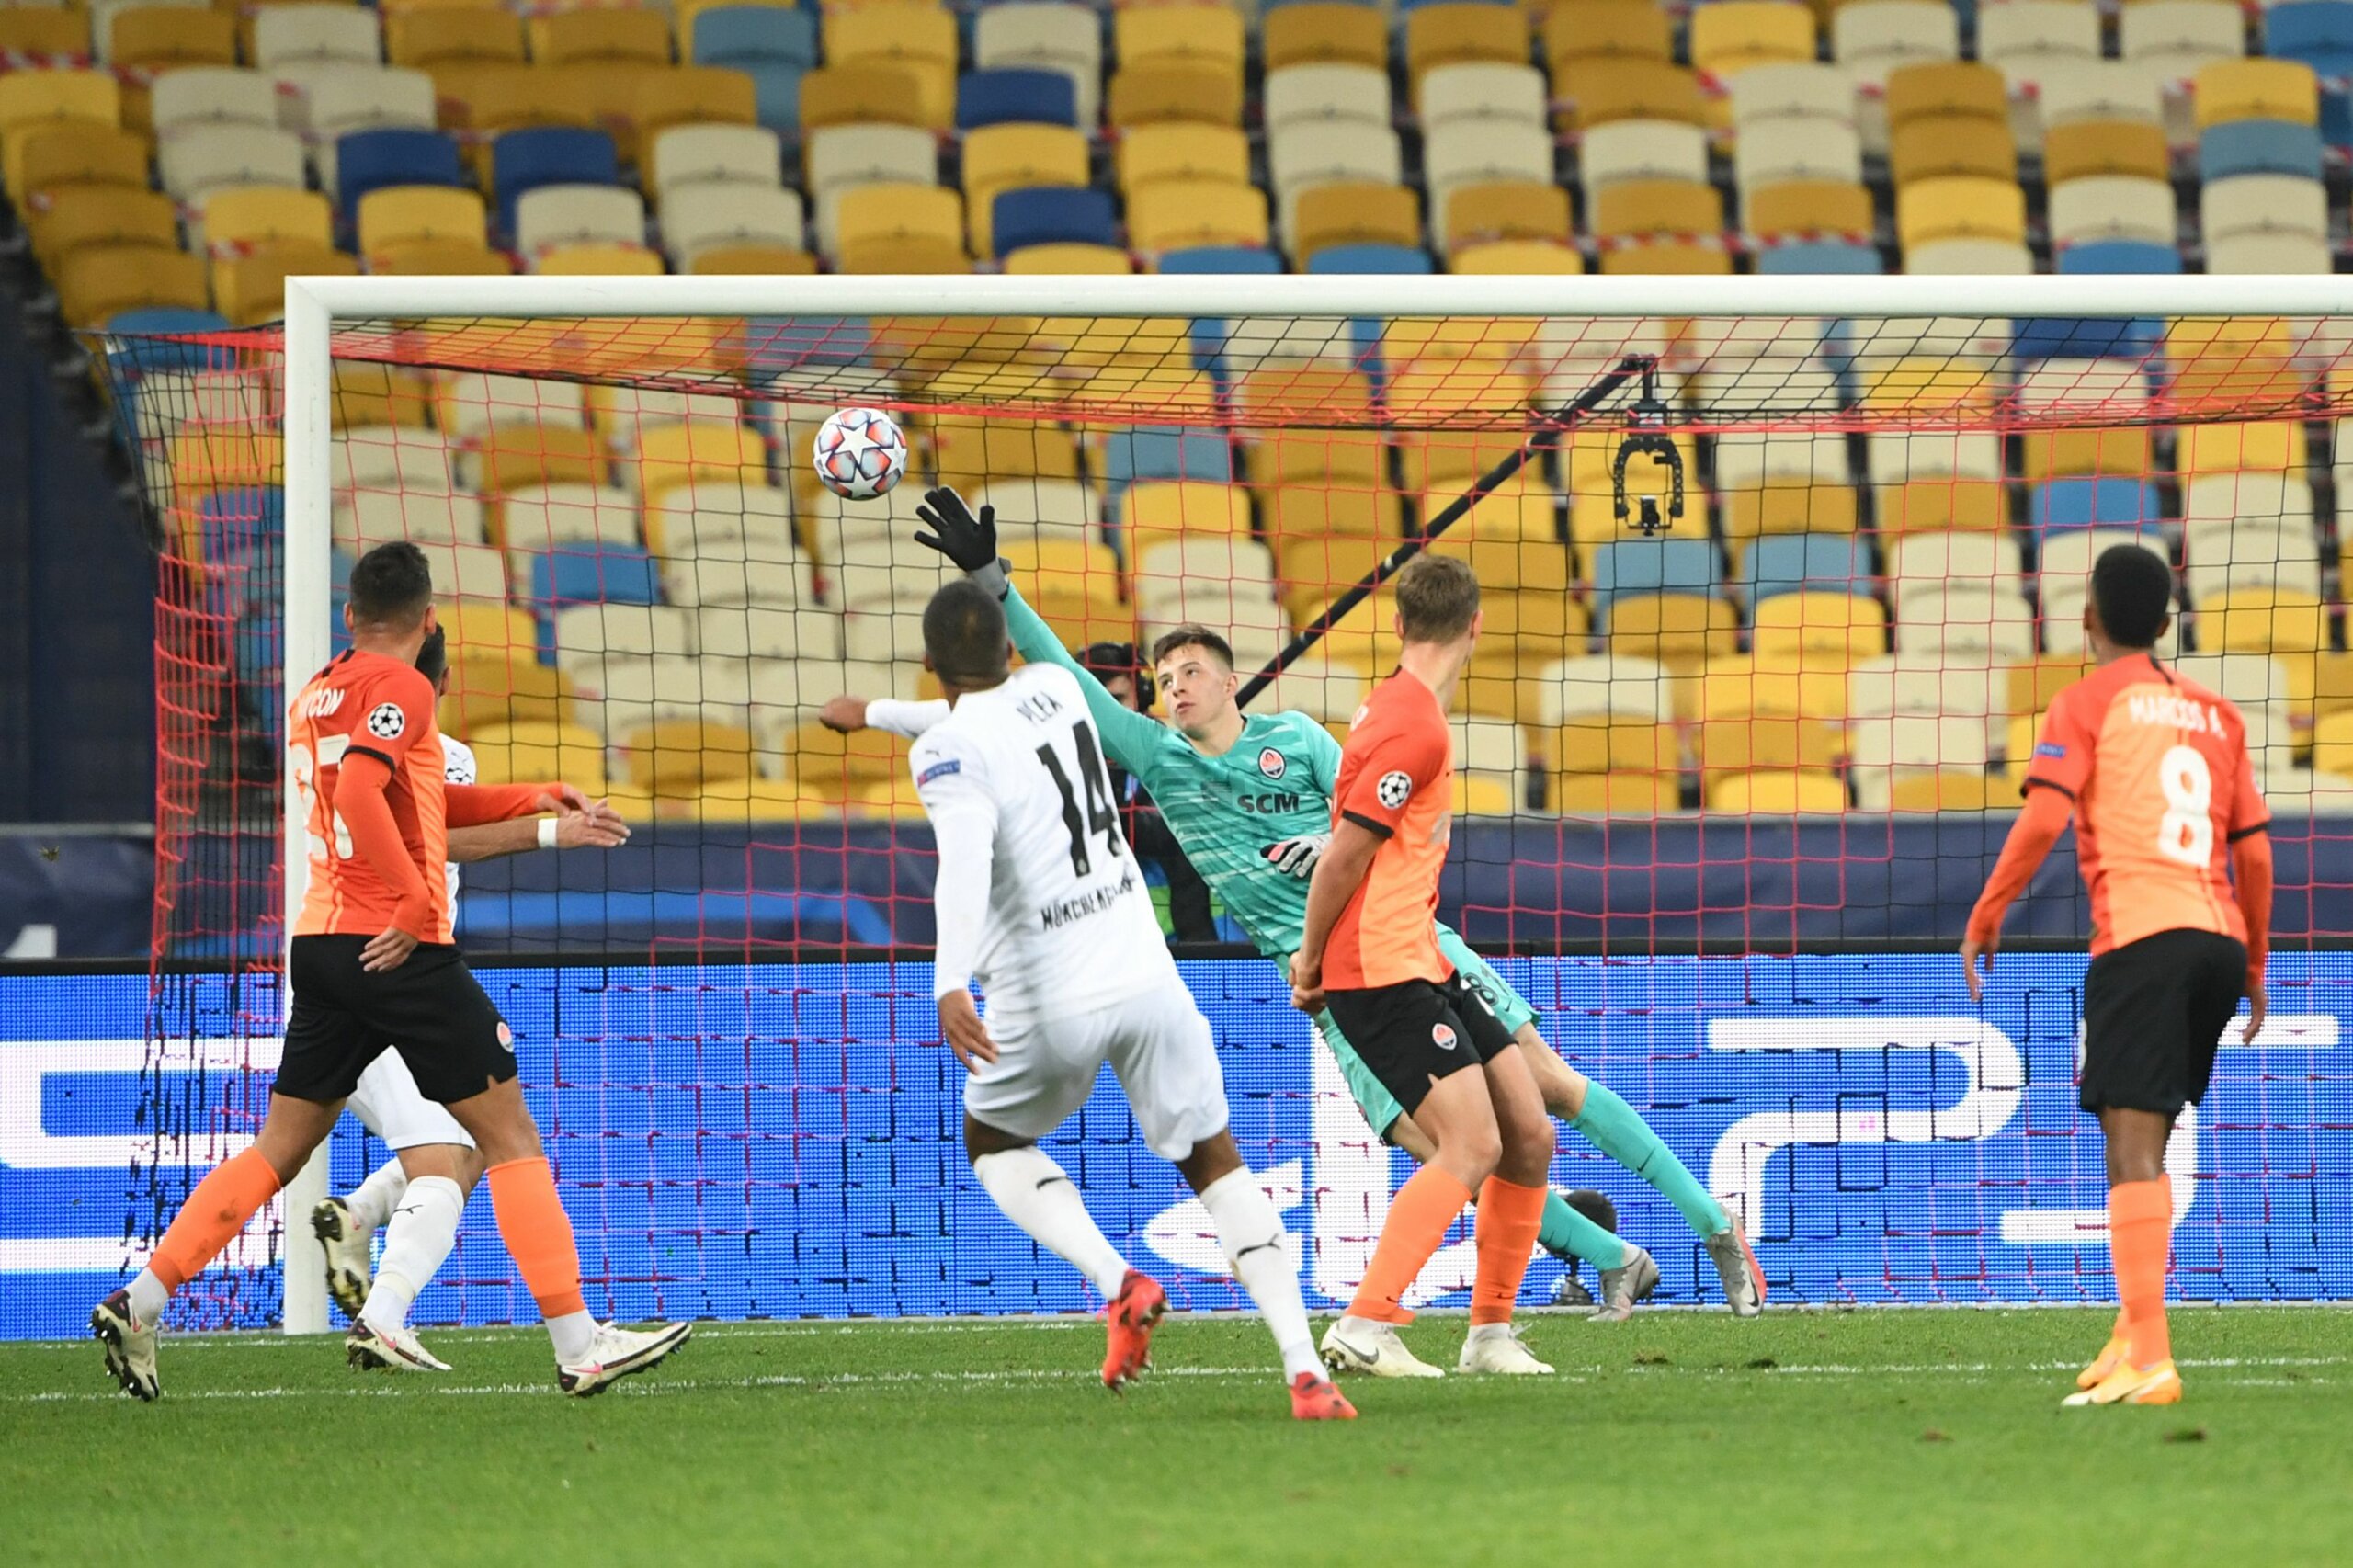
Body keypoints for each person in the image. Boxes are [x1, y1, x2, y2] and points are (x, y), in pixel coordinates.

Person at [835, 486, 1766, 1339]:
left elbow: (1370, 825)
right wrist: (993, 581)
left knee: (1550, 1088)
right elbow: (1059, 677)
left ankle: (1709, 1226)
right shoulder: (1164, 763)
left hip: (1403, 941)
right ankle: (1616, 1260)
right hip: (1333, 978)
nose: (1178, 684)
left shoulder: (1302, 740)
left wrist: (1325, 851)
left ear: (1231, 679)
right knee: (1443, 1145)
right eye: (1165, 678)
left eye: (1193, 668)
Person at [90, 542, 689, 1400]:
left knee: (281, 1148)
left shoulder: (317, 694)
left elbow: (418, 802)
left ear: (350, 616)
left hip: (324, 947)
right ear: (431, 617)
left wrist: (535, 797)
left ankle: (141, 1304)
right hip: (394, 946)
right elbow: (366, 794)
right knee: (507, 1137)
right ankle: (578, 1341)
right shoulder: (403, 685)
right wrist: (413, 902)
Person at [906, 577, 1353, 1421]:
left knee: (992, 1141)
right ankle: (1303, 1368)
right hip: (1150, 980)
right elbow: (994, 697)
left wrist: (947, 980)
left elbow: (963, 860)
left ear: (932, 666)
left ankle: (1118, 1283)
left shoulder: (942, 753)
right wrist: (881, 711)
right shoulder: (1053, 690)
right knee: (1216, 1161)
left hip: (1047, 995)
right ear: (1010, 651)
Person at [1961, 544, 2271, 1409]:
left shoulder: (2085, 700)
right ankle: (2133, 1330)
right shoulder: (2218, 715)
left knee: (2129, 1146)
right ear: (2169, 625)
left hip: (2141, 937)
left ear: (2086, 618)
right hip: (2215, 941)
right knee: (2157, 1134)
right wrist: (2254, 962)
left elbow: (2044, 818)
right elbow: (2256, 851)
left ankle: (2153, 1362)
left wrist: (1988, 912)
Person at [312, 624, 633, 1373]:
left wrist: (537, 808)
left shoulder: (326, 743)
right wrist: (553, 828)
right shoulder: (442, 753)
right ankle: (386, 1315)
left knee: (474, 1141)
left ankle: (359, 1214)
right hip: (392, 975)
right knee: (465, 1147)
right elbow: (442, 837)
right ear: (440, 684)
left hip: (325, 961)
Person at [1289, 553, 1558, 1376]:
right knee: (1471, 1143)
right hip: (1377, 968)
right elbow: (1341, 858)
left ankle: (1490, 1335)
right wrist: (1309, 962)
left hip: (1420, 955)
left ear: (1399, 624)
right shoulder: (1417, 726)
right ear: (1477, 625)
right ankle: (1365, 1322)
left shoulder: (1392, 706)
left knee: (1529, 1135)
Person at [1076, 640, 1217, 944]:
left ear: (1141, 697)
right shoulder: (1062, 760)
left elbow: (1170, 832)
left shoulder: (1170, 754)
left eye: (1115, 701)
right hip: (1090, 943)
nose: (1104, 716)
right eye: (1092, 704)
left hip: (1177, 942)